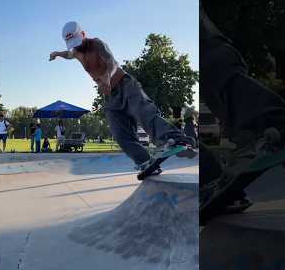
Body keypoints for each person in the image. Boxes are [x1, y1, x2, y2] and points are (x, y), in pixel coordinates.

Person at [199, 4, 285, 188]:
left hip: (210, 50)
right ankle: (209, 174)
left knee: (215, 71)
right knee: (216, 90)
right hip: (214, 51)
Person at [50, 22, 194, 172]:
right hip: (110, 97)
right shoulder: (76, 51)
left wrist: (107, 75)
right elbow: (69, 54)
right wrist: (58, 54)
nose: (77, 46)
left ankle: (178, 141)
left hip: (126, 85)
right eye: (73, 44)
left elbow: (112, 62)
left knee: (144, 114)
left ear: (83, 34)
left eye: (78, 42)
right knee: (120, 134)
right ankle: (145, 161)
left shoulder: (97, 43)